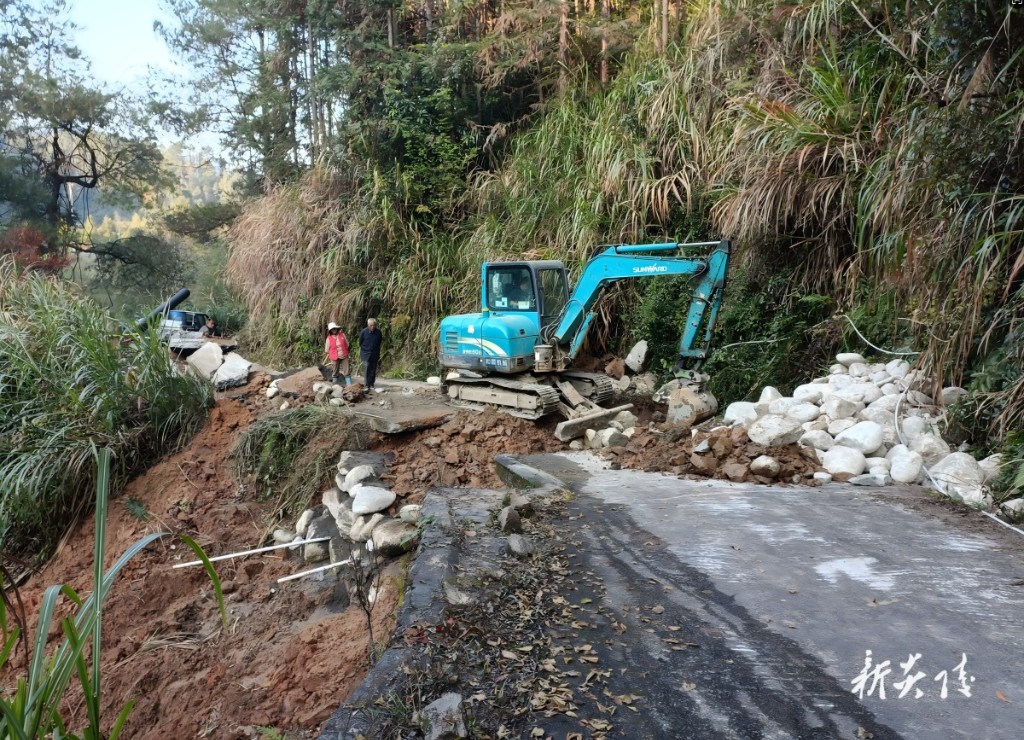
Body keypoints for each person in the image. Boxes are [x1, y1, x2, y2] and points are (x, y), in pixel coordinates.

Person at [358, 317, 383, 390]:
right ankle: (366, 384)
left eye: (374, 325)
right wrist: (365, 349)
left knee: (373, 369)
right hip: (365, 353)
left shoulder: (378, 332)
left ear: (375, 325)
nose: (372, 327)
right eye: (371, 325)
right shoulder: (363, 332)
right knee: (367, 367)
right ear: (368, 325)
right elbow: (360, 342)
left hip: (375, 353)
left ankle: (372, 383)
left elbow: (379, 342)